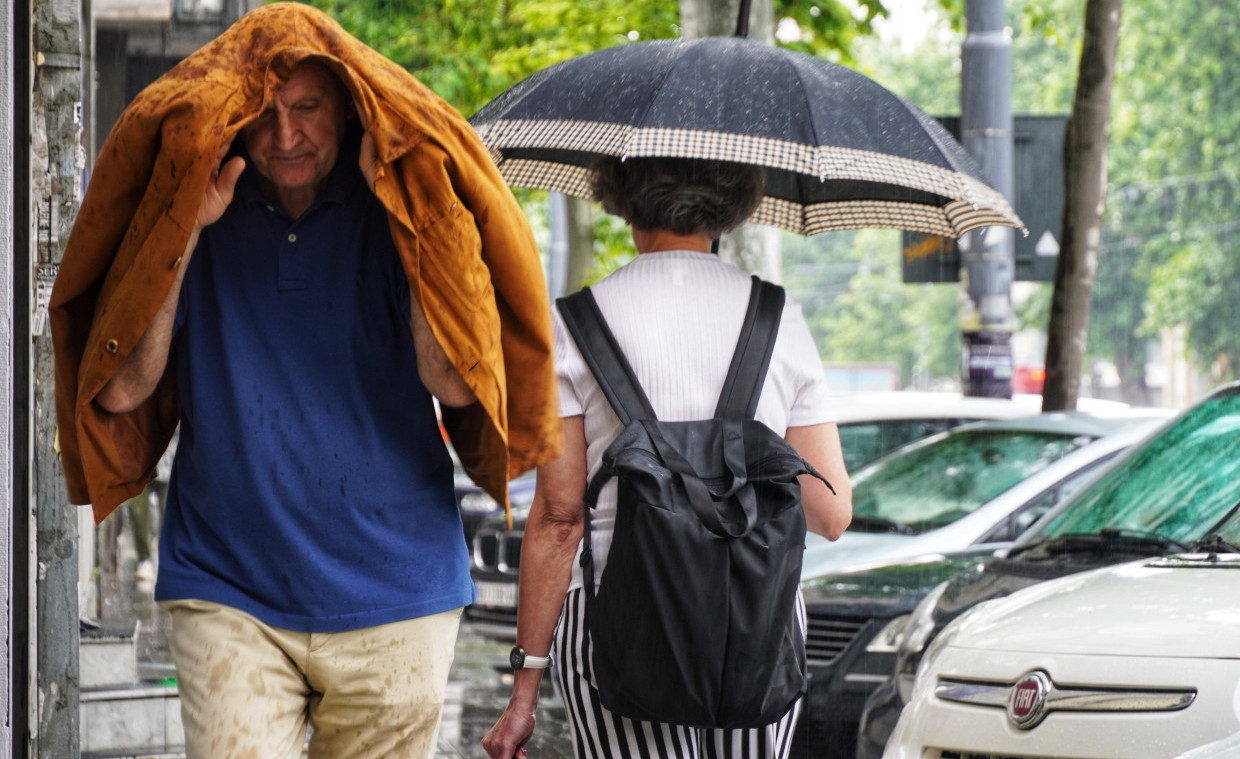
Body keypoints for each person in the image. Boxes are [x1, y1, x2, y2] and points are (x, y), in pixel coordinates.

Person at [92, 58, 476, 759]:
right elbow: (121, 389)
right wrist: (183, 228)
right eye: (264, 114)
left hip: (397, 590)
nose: (285, 134)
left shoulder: (391, 208)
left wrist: (407, 217)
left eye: (306, 108)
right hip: (228, 586)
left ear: (348, 112)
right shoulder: (200, 206)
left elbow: (452, 383)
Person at [482, 156, 854, 759]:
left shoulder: (573, 324)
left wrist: (523, 692)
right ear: (731, 199)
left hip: (615, 623)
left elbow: (559, 520)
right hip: (756, 623)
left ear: (621, 193)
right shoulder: (778, 318)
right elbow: (830, 515)